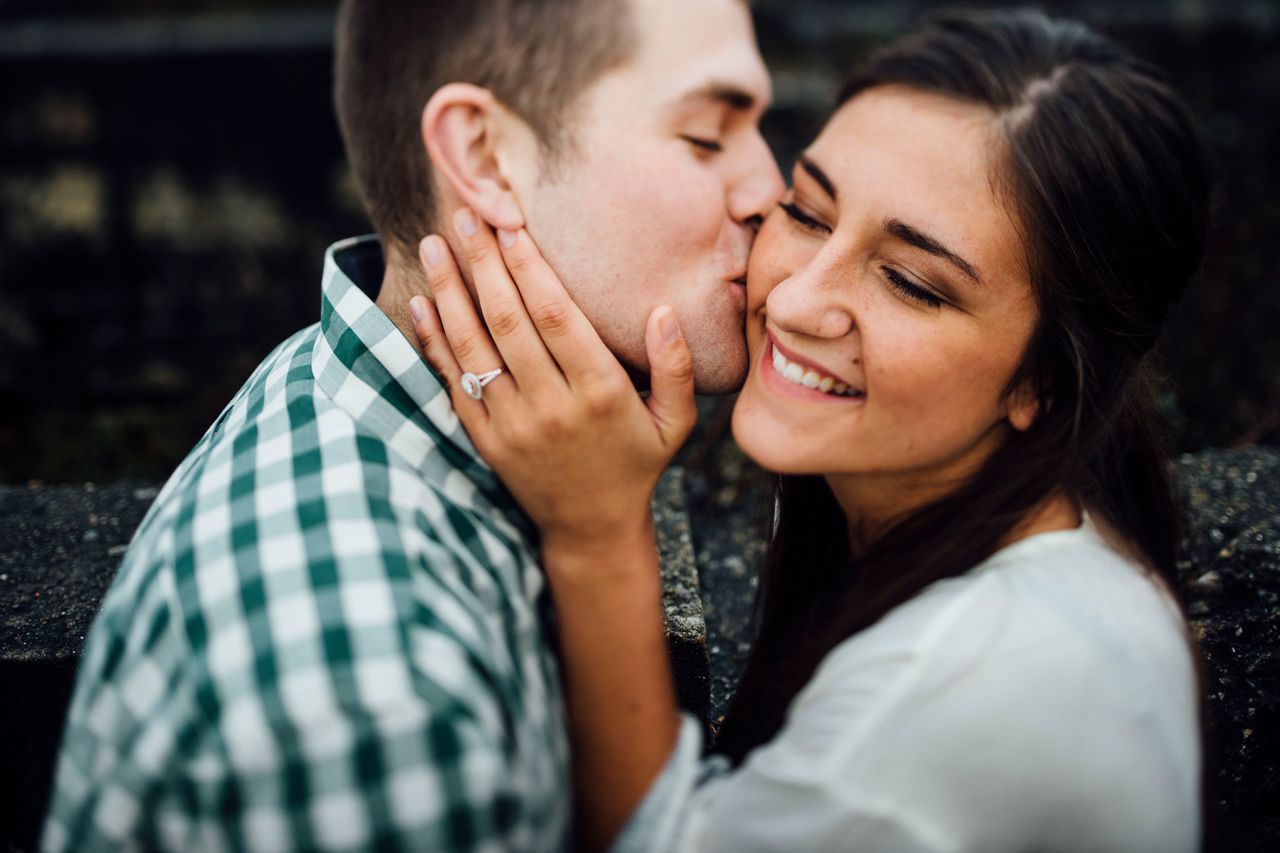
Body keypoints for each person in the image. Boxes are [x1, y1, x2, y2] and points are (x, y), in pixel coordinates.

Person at [409, 9, 1211, 852]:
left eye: (909, 281)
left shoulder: (973, 677)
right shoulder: (921, 505)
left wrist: (596, 535)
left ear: (1045, 375)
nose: (791, 301)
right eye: (807, 211)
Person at [41, 0, 781, 849]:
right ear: (484, 155)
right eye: (706, 136)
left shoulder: (342, 378)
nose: (770, 187)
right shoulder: (372, 706)